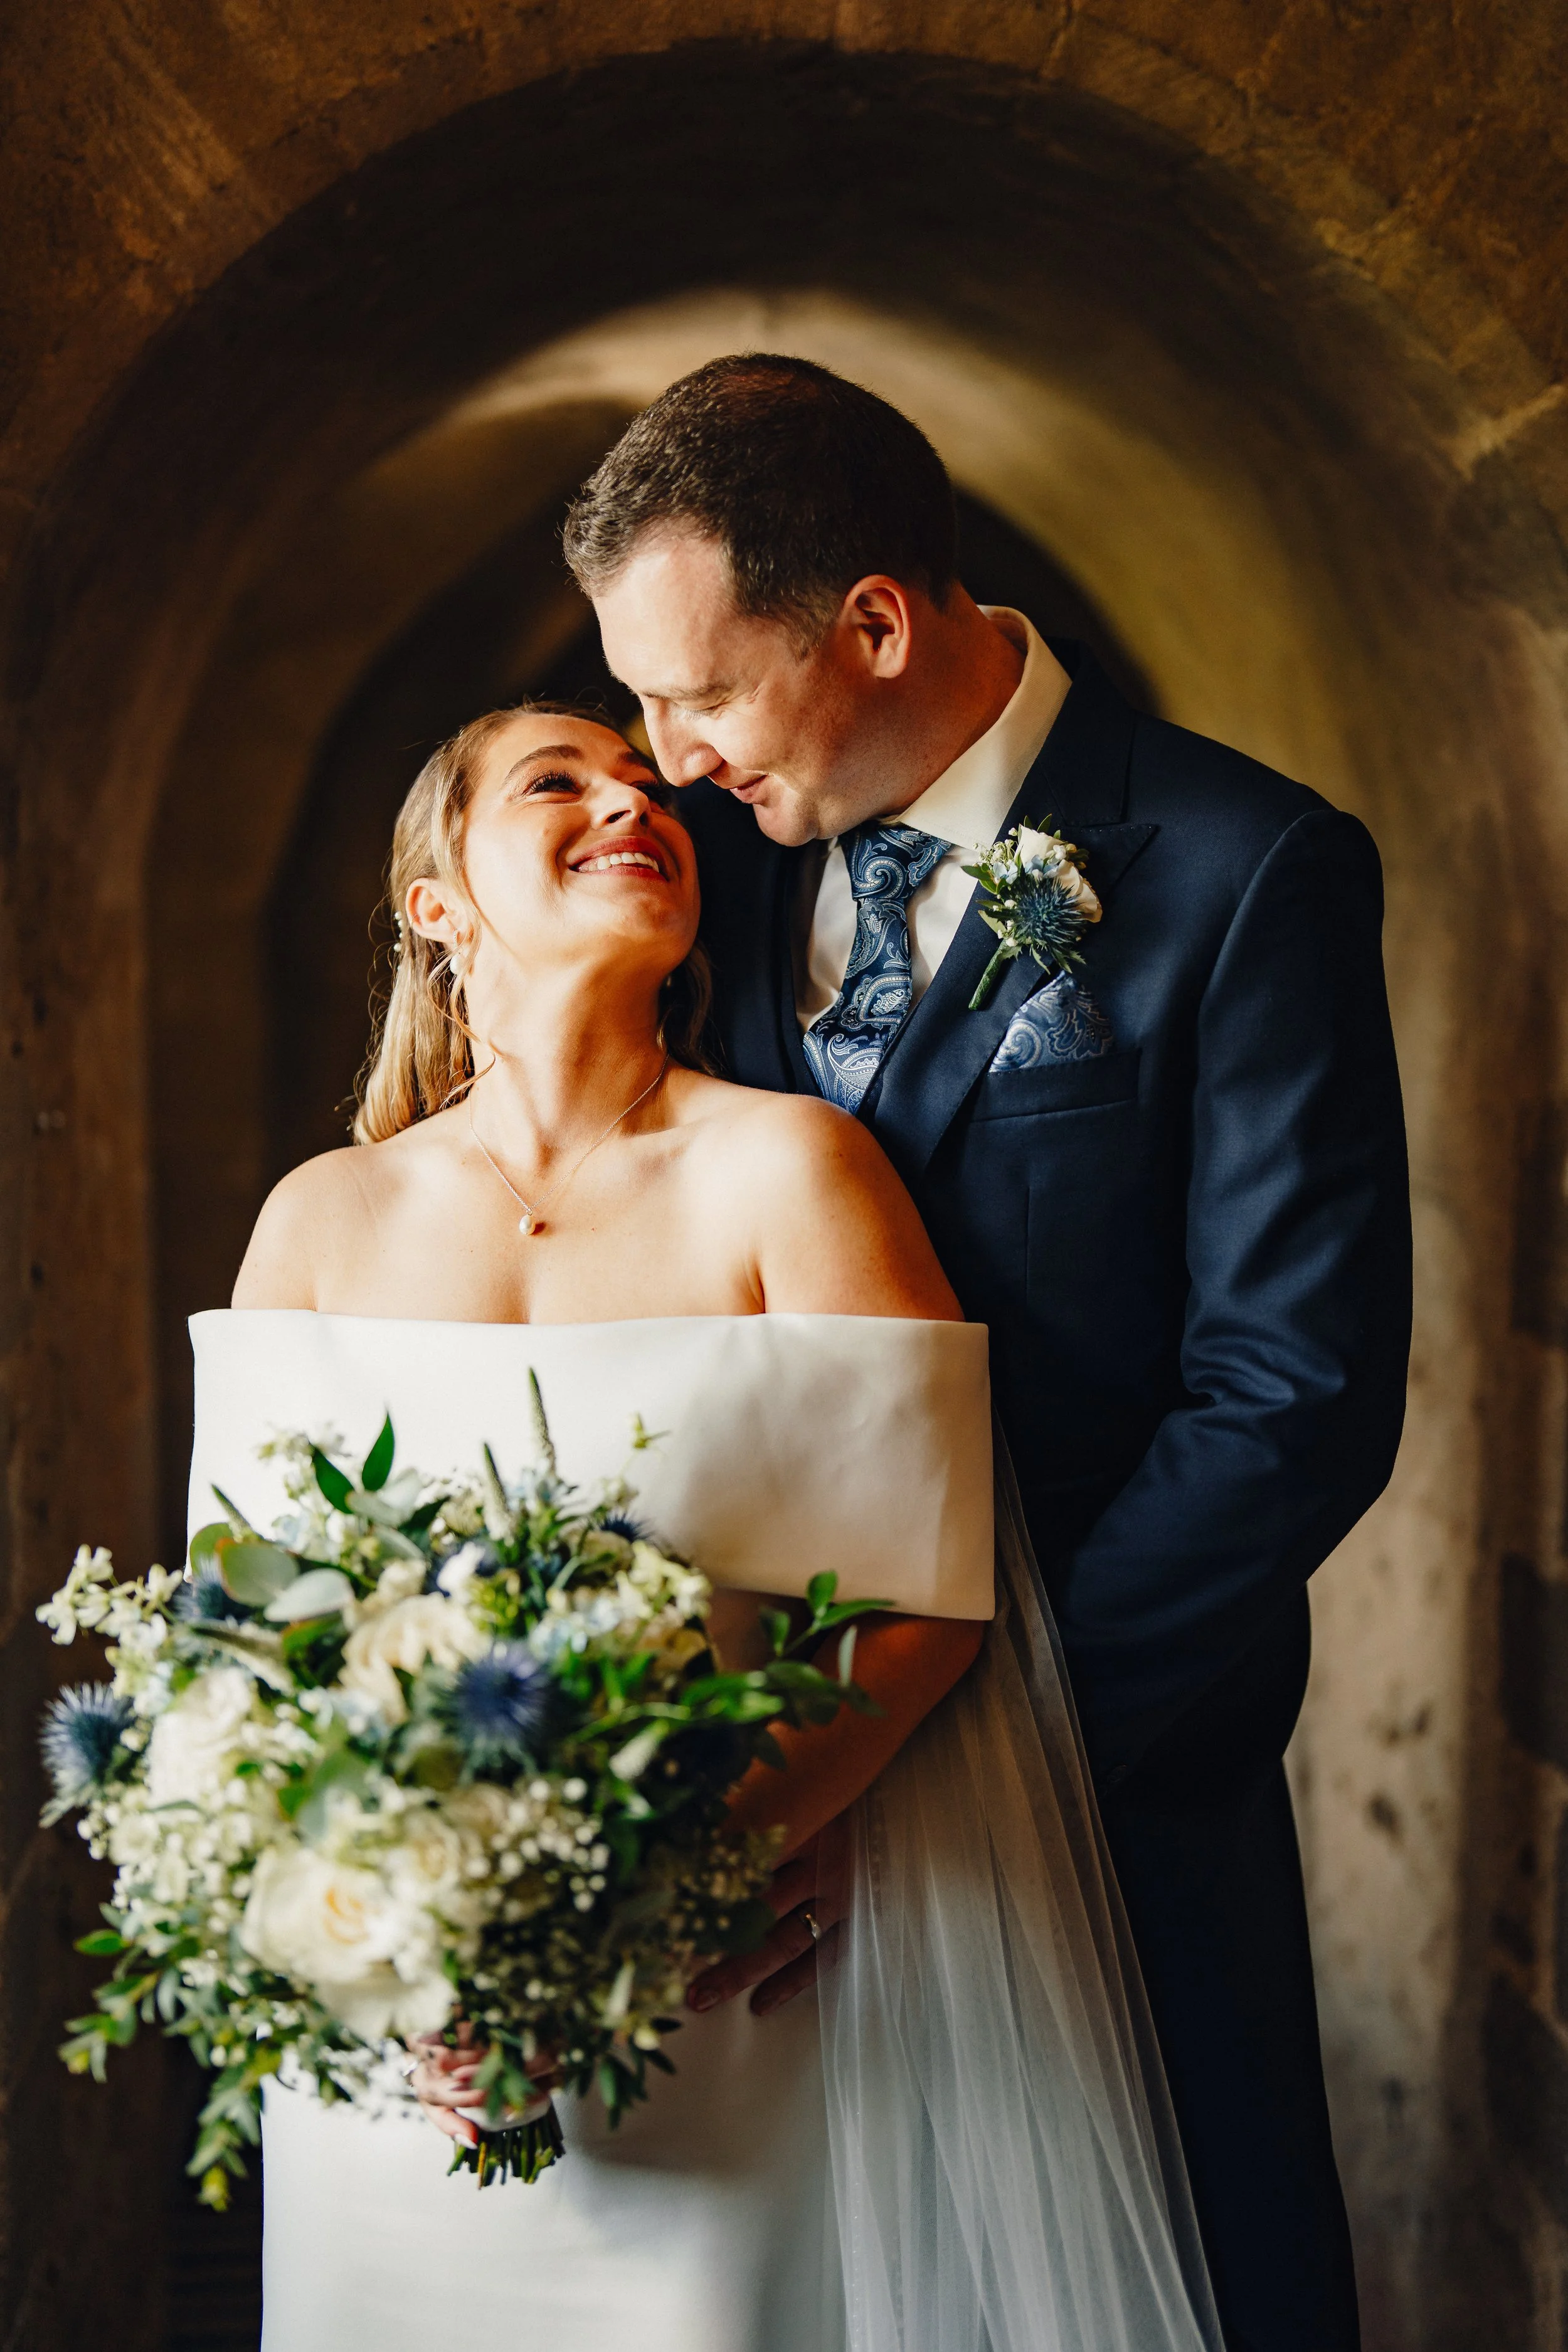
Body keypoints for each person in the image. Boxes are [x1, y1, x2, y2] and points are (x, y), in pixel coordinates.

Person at [564, 354, 1413, 2352]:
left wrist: (950, 1762)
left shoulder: (1237, 868)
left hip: (1115, 1790)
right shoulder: (720, 872)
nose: (663, 756)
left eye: (697, 692)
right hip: (748, 1794)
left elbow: (1288, 1399)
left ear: (871, 620)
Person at [218, 703, 1222, 2349]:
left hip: (722, 1985)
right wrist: (391, 1939)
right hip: (407, 2038)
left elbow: (928, 1598)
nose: (633, 802)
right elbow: (236, 1625)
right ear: (434, 900)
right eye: (560, 782)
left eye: (649, 788)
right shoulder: (322, 1216)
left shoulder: (793, 1173)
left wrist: (671, 1888)